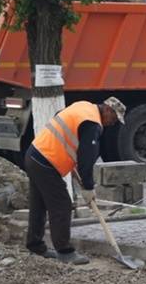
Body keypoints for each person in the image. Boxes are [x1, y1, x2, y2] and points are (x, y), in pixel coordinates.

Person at [25, 97, 126, 265]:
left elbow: (60, 118)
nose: (112, 123)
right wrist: (88, 187)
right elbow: (86, 159)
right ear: (107, 110)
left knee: (39, 203)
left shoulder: (84, 106)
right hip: (46, 162)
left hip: (34, 155)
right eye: (114, 119)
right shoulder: (92, 123)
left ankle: (35, 245)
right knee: (62, 204)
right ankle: (65, 252)